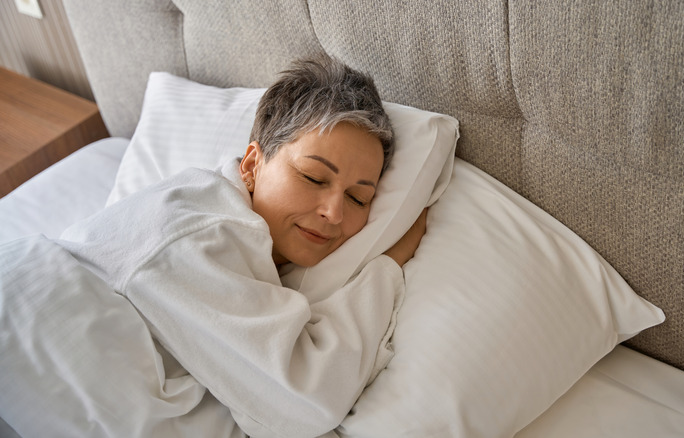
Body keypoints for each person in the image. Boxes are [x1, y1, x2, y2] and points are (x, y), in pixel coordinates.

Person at [56, 56, 427, 437]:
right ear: (252, 165)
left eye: (358, 198)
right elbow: (305, 399)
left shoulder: (238, 238)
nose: (334, 212)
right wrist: (388, 264)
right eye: (313, 177)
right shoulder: (197, 237)